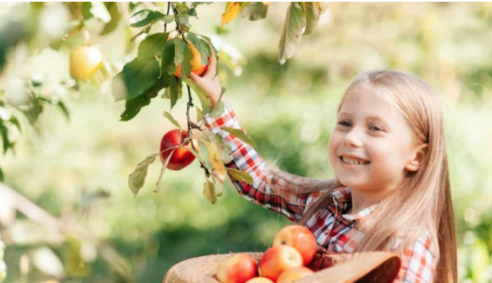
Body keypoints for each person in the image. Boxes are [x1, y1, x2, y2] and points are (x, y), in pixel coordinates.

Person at [189, 51, 457, 283]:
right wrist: (215, 103)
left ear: (417, 158)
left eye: (375, 129)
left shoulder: (405, 244)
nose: (351, 138)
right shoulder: (324, 204)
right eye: (345, 123)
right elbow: (257, 180)